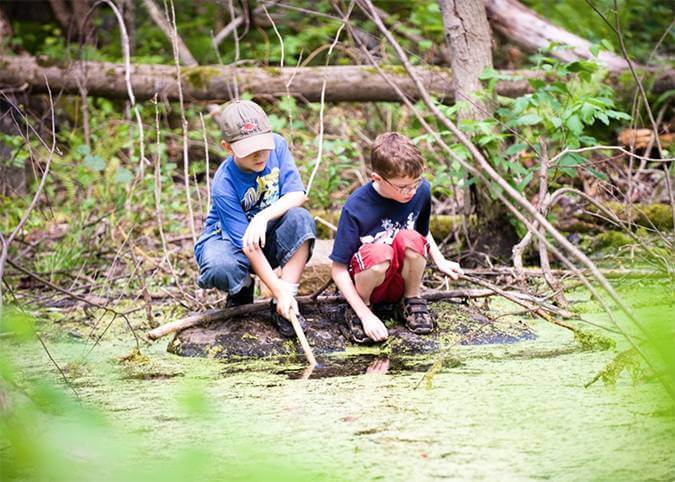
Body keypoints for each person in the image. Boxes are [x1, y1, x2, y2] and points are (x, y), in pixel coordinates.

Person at [194, 99, 316, 337]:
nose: (260, 155)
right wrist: (274, 289)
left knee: (301, 219)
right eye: (250, 151)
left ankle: (284, 304)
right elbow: (248, 246)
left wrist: (262, 217)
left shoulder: (278, 146)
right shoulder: (224, 182)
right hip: (230, 244)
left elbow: (297, 194)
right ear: (228, 148)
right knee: (220, 266)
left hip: (267, 234)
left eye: (263, 146)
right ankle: (242, 287)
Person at [330, 132, 463, 344]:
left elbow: (421, 232)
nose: (411, 191)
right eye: (403, 187)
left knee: (410, 238)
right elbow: (338, 269)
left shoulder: (421, 191)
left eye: (416, 183)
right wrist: (365, 315)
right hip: (370, 282)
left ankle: (410, 300)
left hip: (400, 279)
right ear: (377, 179)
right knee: (379, 251)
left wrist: (440, 260)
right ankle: (361, 309)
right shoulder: (356, 207)